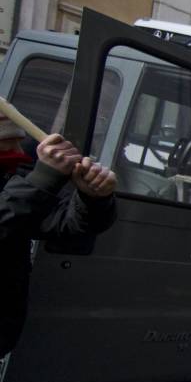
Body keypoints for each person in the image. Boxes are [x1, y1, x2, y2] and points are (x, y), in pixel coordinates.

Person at [1, 120, 117, 356]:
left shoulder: (9, 176)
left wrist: (92, 198)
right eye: (9, 143)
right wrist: (43, 179)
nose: (20, 152)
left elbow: (67, 225)